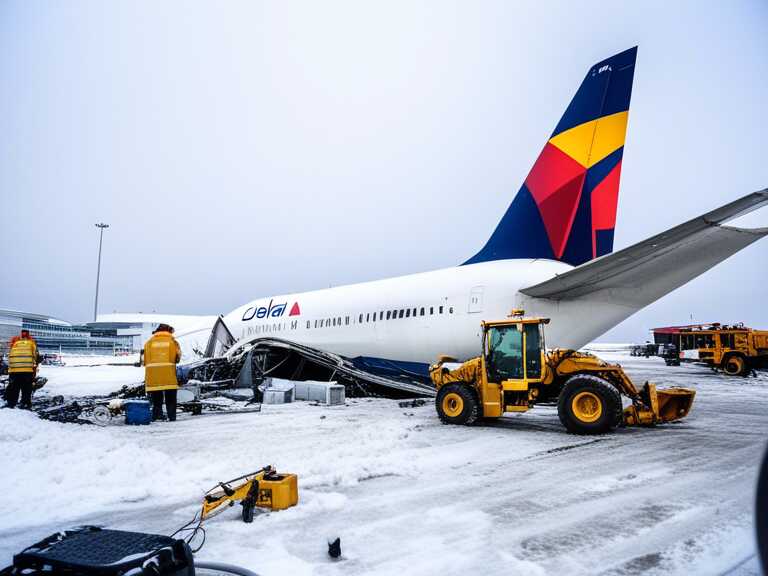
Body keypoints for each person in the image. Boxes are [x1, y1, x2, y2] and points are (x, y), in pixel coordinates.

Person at [142, 324, 181, 421]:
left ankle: (157, 415)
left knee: (156, 399)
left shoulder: (148, 343)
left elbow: (143, 360)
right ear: (169, 331)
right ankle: (171, 417)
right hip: (169, 376)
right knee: (171, 399)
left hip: (153, 376)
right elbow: (178, 358)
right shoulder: (173, 342)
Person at [6, 329, 39, 409]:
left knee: (14, 388)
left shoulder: (14, 343)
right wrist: (36, 363)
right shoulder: (31, 343)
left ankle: (11, 404)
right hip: (27, 370)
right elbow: (36, 355)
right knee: (26, 388)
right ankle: (25, 403)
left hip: (14, 370)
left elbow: (9, 356)